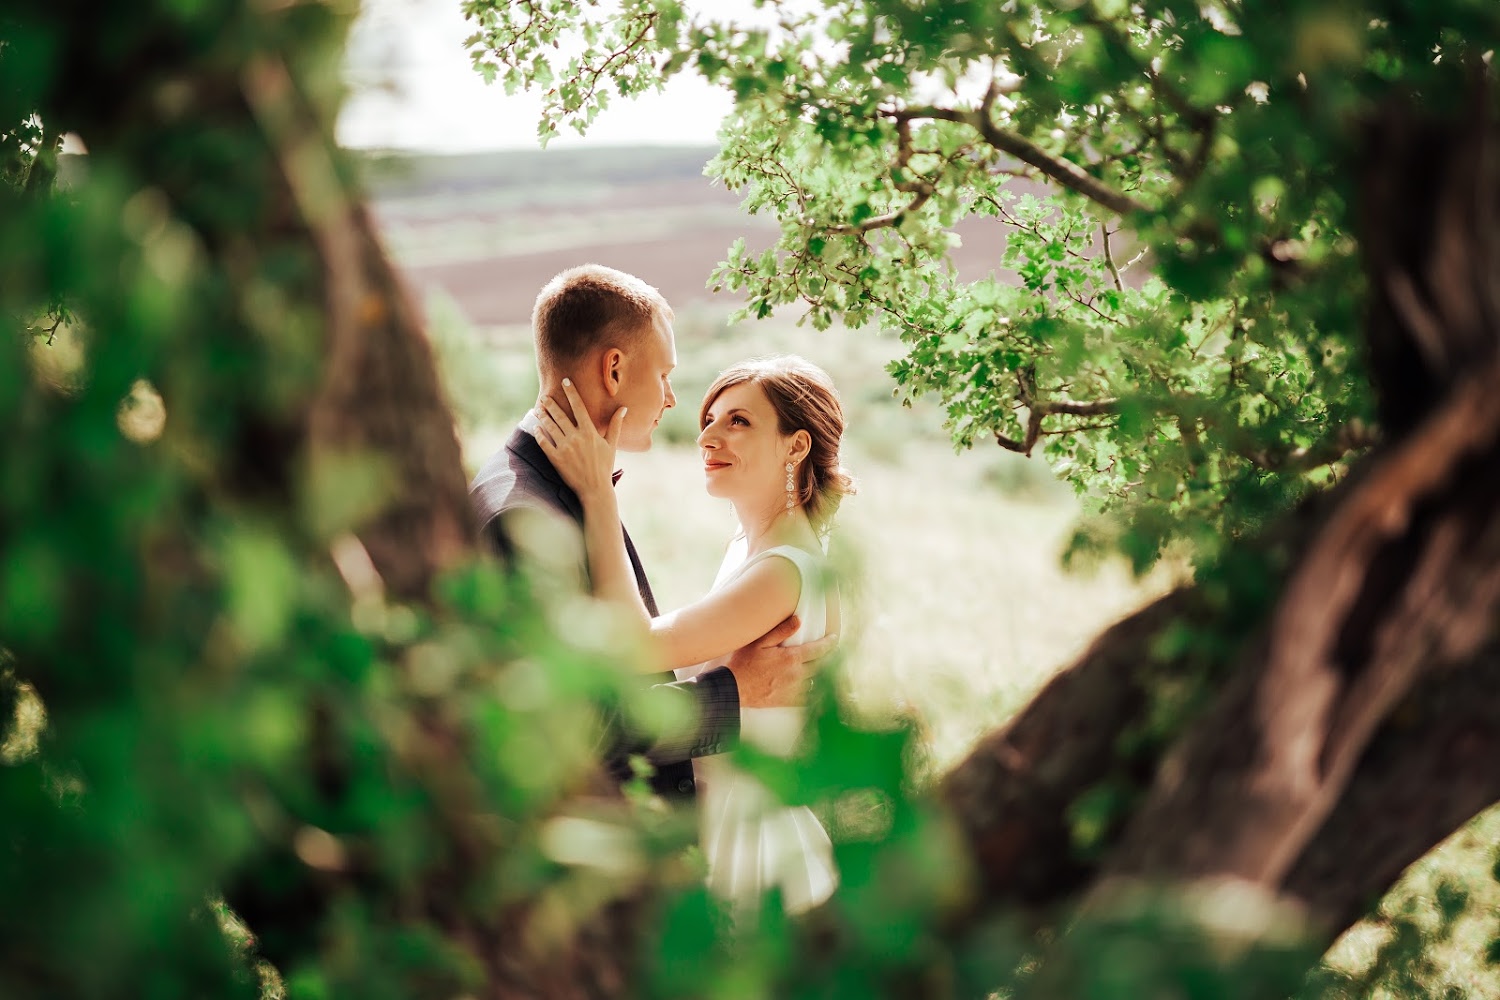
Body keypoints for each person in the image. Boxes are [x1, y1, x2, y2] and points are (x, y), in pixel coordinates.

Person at [468, 264, 833, 805]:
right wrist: (733, 693)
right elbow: (574, 730)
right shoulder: (520, 517)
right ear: (614, 370)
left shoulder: (559, 488)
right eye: (664, 375)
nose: (671, 400)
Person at [534, 354, 852, 915]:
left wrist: (597, 494)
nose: (708, 435)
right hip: (711, 813)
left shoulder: (784, 570)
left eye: (738, 422)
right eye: (709, 419)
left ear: (796, 446)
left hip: (749, 840)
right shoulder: (753, 549)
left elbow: (637, 646)